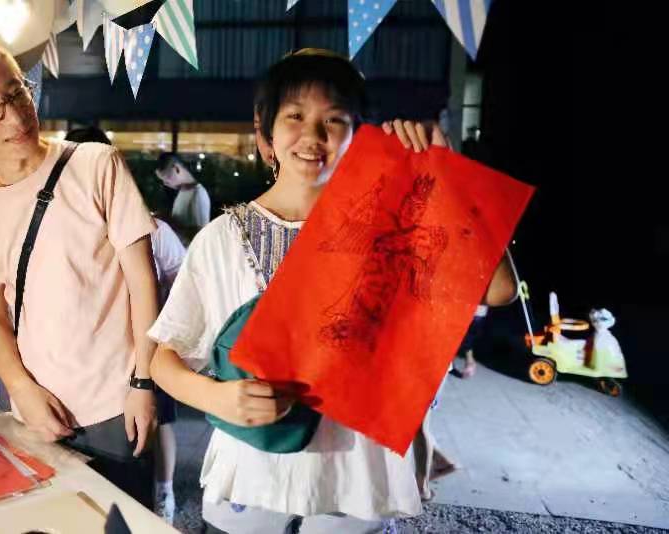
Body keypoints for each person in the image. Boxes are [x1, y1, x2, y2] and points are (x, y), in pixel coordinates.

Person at [148, 49, 517, 533]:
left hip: (354, 476)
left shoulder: (395, 228)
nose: (313, 135)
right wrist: (214, 398)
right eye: (295, 116)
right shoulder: (222, 238)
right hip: (254, 469)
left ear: (358, 136)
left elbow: (499, 289)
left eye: (335, 120)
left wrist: (442, 173)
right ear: (265, 132)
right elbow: (164, 358)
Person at [0, 36, 160, 506]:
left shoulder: (95, 163)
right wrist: (21, 389)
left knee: (124, 521)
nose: (13, 116)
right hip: (36, 408)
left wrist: (144, 383)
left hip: (117, 402)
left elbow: (142, 282)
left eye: (16, 93)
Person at [65, 126, 185, 524]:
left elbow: (181, 277)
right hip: (95, 370)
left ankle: (164, 492)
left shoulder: (152, 228)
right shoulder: (66, 229)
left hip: (149, 351)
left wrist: (164, 316)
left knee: (158, 424)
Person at [154, 152, 211, 234]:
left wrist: (168, 222)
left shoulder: (198, 194)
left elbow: (201, 235)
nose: (165, 183)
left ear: (176, 169)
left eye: (166, 178)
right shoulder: (183, 192)